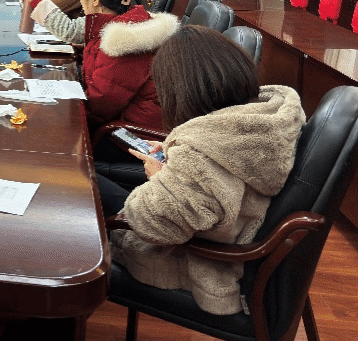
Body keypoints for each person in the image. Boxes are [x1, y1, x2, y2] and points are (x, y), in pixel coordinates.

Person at [100, 25, 306, 316]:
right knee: (90, 184)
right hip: (236, 244)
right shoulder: (265, 121)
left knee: (86, 189)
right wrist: (173, 149)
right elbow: (220, 171)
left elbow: (153, 224)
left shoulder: (200, 156)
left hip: (204, 266)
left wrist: (159, 176)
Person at [68, 0, 177, 132]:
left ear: (95, 0)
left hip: (135, 133)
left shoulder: (123, 42)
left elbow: (99, 107)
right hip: (124, 121)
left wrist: (62, 111)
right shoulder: (127, 22)